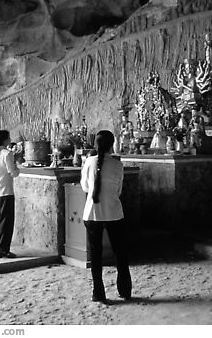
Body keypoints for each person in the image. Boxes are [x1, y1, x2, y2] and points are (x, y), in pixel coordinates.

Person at [80, 130, 132, 303]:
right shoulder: (118, 165)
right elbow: (118, 190)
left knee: (95, 255)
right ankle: (125, 290)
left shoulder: (89, 162)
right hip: (114, 212)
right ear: (112, 144)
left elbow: (85, 187)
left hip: (92, 213)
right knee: (120, 252)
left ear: (95, 144)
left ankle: (98, 293)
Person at [0, 130, 20, 258]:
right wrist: (16, 164)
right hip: (6, 191)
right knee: (6, 222)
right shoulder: (7, 154)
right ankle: (4, 249)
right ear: (6, 140)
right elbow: (13, 173)